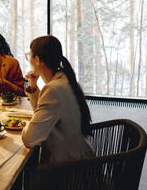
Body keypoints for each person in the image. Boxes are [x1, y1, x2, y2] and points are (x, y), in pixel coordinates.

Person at [22, 35, 95, 164]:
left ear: (38, 60)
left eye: (30, 56)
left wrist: (26, 126)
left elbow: (29, 139)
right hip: (79, 157)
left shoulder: (53, 89)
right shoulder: (63, 78)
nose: (29, 60)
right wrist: (33, 86)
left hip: (69, 169)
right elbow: (44, 111)